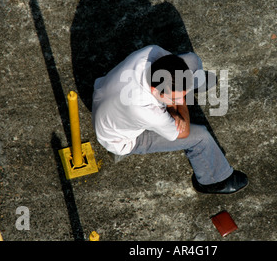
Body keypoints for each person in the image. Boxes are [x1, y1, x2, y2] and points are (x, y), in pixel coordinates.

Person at [92, 45, 248, 194]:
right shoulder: (144, 110)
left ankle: (186, 87)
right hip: (119, 137)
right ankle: (213, 181)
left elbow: (173, 64)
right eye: (176, 96)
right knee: (200, 138)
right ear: (155, 91)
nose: (182, 98)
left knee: (191, 60)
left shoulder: (151, 53)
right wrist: (179, 104)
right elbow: (184, 132)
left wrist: (174, 104)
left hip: (106, 95)